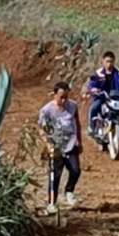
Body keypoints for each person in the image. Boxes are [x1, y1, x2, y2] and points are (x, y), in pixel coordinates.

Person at [38, 80, 82, 212]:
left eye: (66, 97)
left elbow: (77, 123)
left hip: (70, 143)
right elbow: (41, 129)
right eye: (61, 97)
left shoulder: (73, 106)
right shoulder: (46, 111)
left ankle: (69, 191)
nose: (64, 100)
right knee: (55, 175)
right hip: (55, 145)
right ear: (54, 95)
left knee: (75, 170)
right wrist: (48, 145)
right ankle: (51, 203)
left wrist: (79, 140)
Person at [84, 50, 119, 129]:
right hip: (103, 97)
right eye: (107, 61)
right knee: (94, 108)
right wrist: (94, 89)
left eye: (111, 61)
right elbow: (92, 83)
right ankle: (92, 127)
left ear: (114, 61)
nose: (109, 64)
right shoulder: (98, 73)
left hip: (117, 97)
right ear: (103, 61)